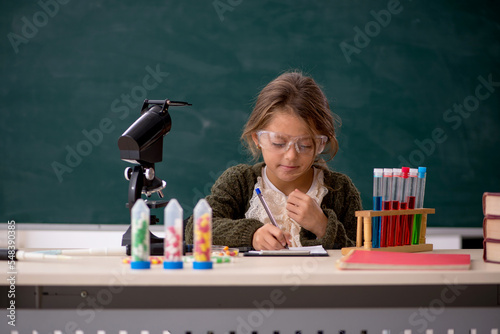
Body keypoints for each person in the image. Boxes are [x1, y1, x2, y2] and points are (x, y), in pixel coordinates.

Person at [185, 71, 362, 250]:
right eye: (278, 143)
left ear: (321, 144)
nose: (291, 156)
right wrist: (252, 235)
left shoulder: (341, 190)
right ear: (257, 138)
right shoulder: (239, 182)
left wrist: (323, 227)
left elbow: (362, 253)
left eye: (306, 145)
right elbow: (196, 229)